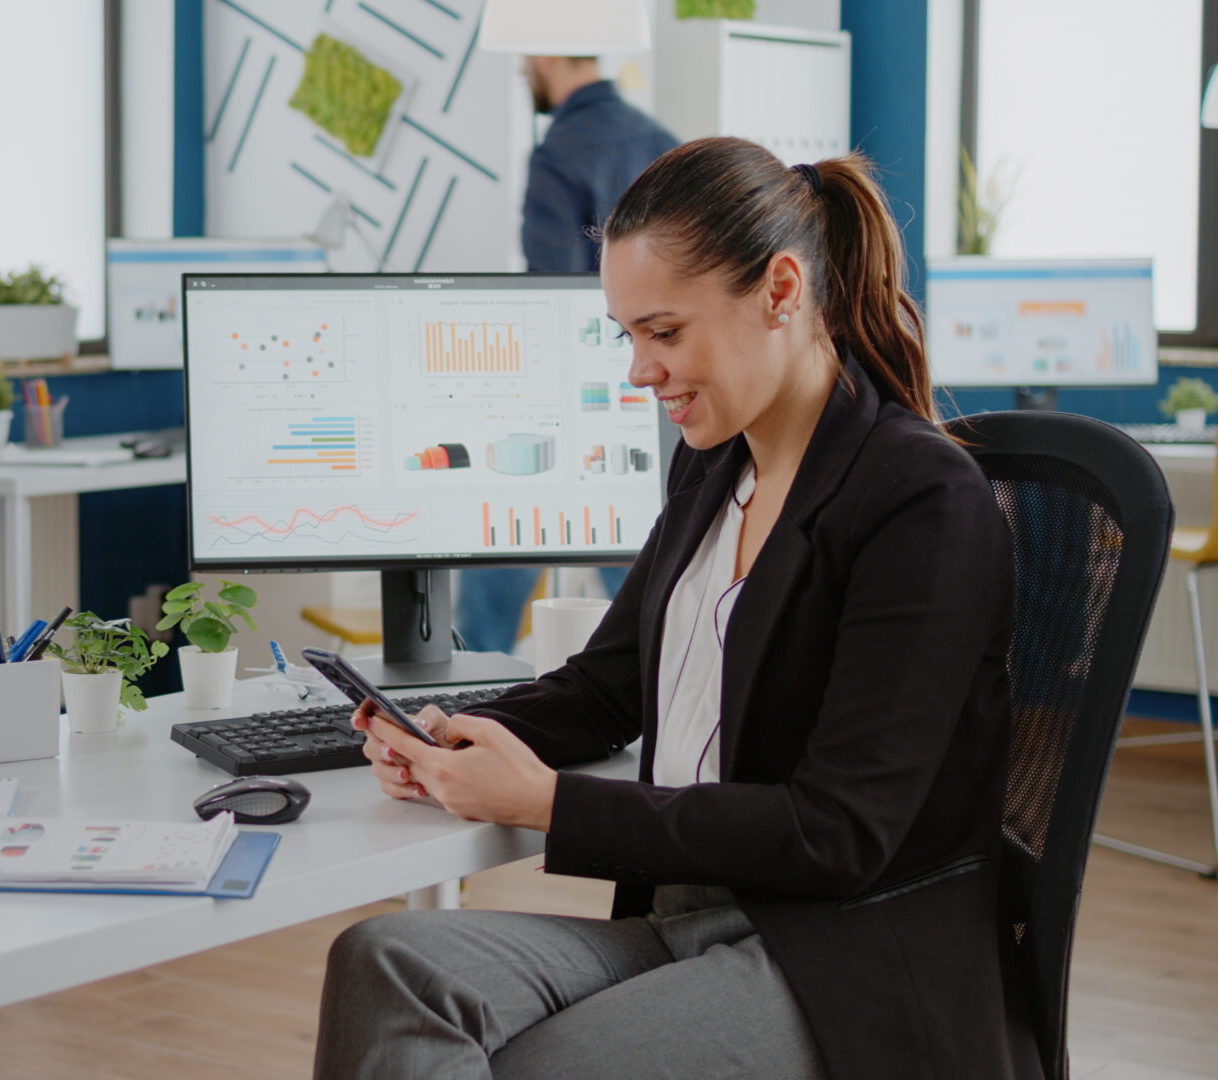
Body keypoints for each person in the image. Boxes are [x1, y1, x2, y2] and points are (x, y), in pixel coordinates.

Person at [314, 138, 1039, 1080]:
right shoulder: (715, 461)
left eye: (664, 333)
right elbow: (609, 688)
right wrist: (458, 730)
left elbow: (840, 834)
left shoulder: (918, 499)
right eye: (626, 336)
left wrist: (547, 804)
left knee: (537, 1064)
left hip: (843, 952)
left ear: (781, 291)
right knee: (384, 962)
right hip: (688, 914)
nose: (639, 373)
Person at [458, 56, 676, 655]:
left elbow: (550, 299)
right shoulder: (661, 142)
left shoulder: (557, 151)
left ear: (549, 56)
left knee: (493, 581)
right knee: (645, 590)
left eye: (526, 57)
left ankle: (470, 707)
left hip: (568, 398)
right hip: (653, 396)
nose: (524, 67)